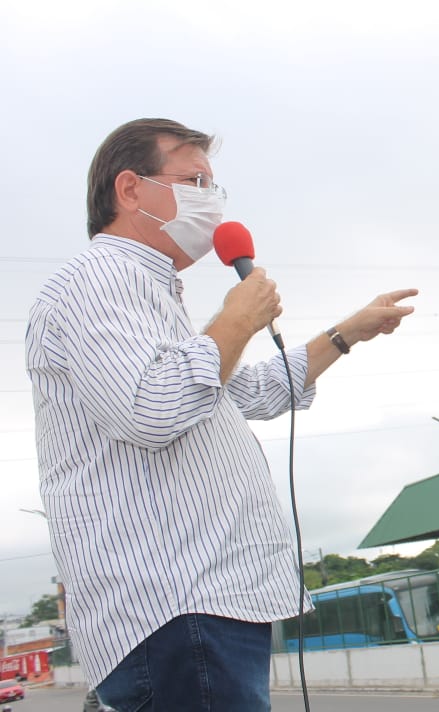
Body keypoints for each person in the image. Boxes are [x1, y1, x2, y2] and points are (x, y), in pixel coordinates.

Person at [26, 118, 417, 711]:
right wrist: (237, 317)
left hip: (207, 600)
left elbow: (243, 395)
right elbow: (153, 409)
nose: (211, 201)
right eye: (194, 180)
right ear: (130, 191)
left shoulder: (151, 294)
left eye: (215, 187)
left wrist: (346, 334)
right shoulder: (96, 280)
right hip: (174, 604)